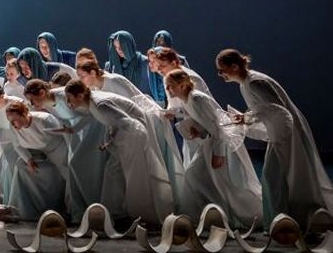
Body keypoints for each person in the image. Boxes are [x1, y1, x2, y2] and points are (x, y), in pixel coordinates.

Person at [217, 49, 333, 227]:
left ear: (234, 66)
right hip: (279, 132)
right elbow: (267, 109)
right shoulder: (246, 83)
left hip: (285, 133)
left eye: (222, 70)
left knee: (279, 175)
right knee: (276, 175)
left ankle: (284, 221)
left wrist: (247, 117)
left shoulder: (254, 83)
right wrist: (246, 117)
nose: (220, 74)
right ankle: (281, 220)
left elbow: (277, 109)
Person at [76, 60, 185, 213]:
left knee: (147, 167)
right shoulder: (94, 90)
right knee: (119, 170)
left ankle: (150, 206)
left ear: (93, 73)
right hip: (126, 129)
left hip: (143, 120)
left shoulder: (113, 81)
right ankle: (122, 209)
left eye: (82, 76)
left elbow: (133, 103)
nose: (81, 80)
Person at [65, 81, 174, 225]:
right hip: (127, 134)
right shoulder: (92, 103)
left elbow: (126, 122)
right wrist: (111, 141)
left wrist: (114, 141)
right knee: (114, 172)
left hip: (132, 135)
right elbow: (115, 122)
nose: (68, 103)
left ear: (79, 96)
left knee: (134, 177)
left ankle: (140, 214)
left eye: (69, 98)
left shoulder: (100, 104)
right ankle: (116, 213)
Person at [164, 69, 261, 228]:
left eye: (171, 85)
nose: (168, 89)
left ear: (182, 85)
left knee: (224, 184)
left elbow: (217, 127)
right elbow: (207, 125)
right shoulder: (187, 100)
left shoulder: (197, 99)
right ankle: (210, 213)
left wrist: (219, 154)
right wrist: (200, 131)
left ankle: (237, 215)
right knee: (197, 176)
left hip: (220, 145)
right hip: (211, 143)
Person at [23, 80, 106, 223]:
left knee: (79, 166)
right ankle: (79, 210)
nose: (31, 104)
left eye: (32, 100)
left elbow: (89, 113)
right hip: (74, 133)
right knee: (73, 168)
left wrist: (73, 130)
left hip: (91, 128)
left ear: (42, 93)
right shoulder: (47, 104)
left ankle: (91, 207)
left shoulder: (63, 96)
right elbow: (65, 121)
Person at [5, 101, 69, 221]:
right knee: (20, 166)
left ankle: (63, 210)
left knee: (65, 173)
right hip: (34, 153)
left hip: (55, 150)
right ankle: (23, 209)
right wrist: (28, 160)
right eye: (10, 121)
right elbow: (17, 145)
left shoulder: (44, 120)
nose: (13, 124)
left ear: (24, 114)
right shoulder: (13, 126)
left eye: (15, 120)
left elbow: (62, 137)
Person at [104, 31, 152, 97]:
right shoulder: (110, 66)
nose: (119, 49)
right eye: (116, 47)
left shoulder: (145, 63)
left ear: (129, 45)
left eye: (121, 45)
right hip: (120, 102)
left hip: (144, 101)